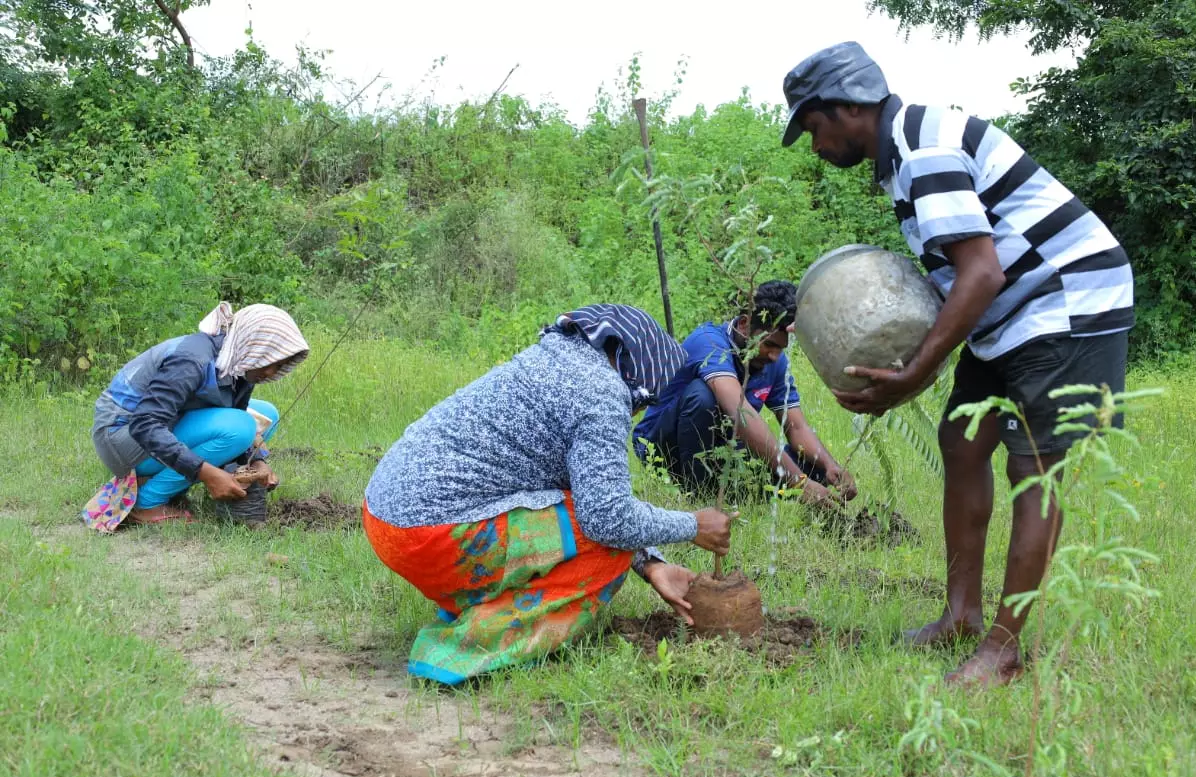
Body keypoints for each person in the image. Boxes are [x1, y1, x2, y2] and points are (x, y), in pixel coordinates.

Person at [781, 42, 1134, 686]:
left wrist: (915, 373)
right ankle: (961, 617)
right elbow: (966, 275)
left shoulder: (924, 151)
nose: (815, 146)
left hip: (1066, 300)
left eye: (813, 127)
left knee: (1034, 468)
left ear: (848, 108)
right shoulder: (905, 152)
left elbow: (981, 272)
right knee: (963, 440)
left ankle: (1002, 649)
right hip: (1012, 310)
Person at [363, 304, 735, 686]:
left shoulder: (556, 357)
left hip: (384, 517)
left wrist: (651, 564)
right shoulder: (600, 393)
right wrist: (692, 525)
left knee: (588, 521)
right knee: (604, 548)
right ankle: (469, 645)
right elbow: (607, 518)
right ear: (629, 365)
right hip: (427, 534)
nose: (639, 408)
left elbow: (581, 493)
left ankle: (478, 604)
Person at [632, 280, 857, 508]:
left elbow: (796, 427)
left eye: (781, 348)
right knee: (701, 396)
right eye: (769, 345)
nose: (774, 356)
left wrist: (829, 465)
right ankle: (698, 498)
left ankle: (734, 495)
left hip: (724, 451)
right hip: (664, 449)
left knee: (810, 466)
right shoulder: (709, 343)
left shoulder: (774, 363)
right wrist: (798, 482)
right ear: (744, 324)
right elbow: (739, 412)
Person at [87, 303, 309, 527]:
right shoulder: (192, 360)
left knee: (266, 415)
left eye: (279, 364)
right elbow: (144, 424)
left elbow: (235, 410)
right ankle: (147, 501)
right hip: (120, 436)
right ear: (252, 345)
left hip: (161, 424)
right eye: (270, 360)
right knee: (240, 427)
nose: (272, 372)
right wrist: (207, 474)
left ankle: (158, 478)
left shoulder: (237, 362)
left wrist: (257, 460)